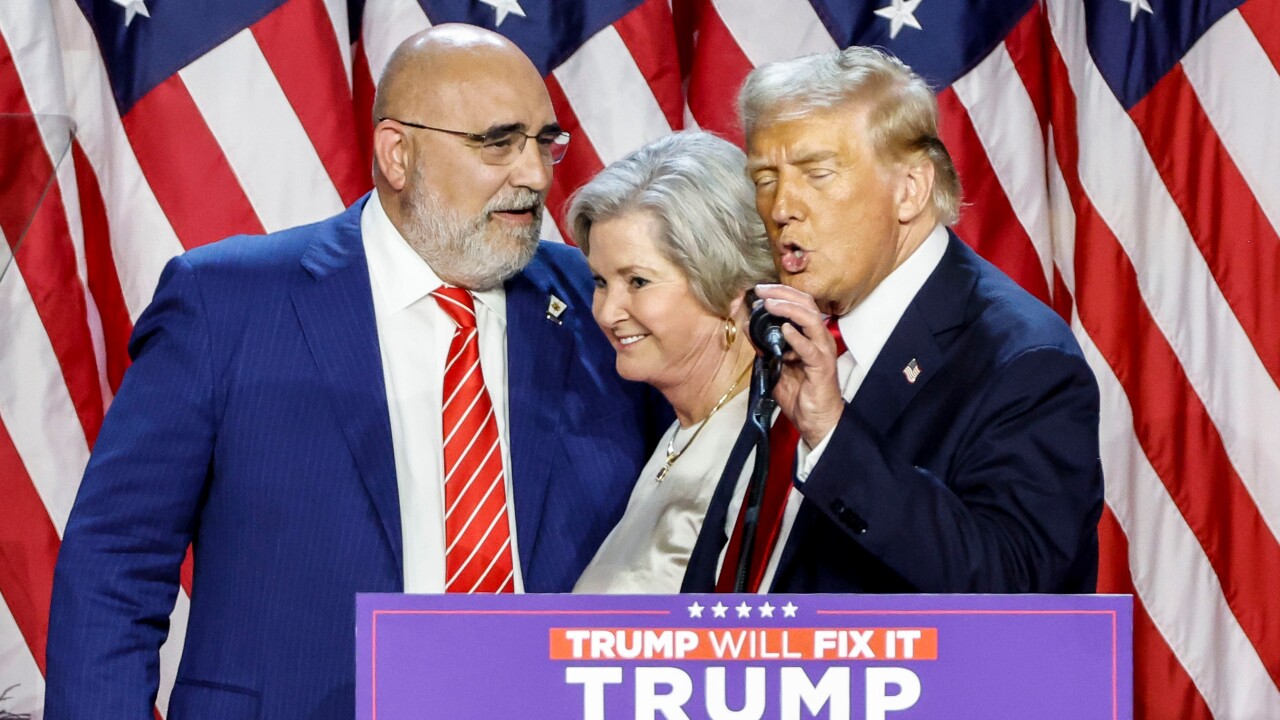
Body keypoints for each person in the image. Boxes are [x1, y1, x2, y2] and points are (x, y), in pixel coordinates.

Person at [45, 25, 664, 719]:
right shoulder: (227, 304)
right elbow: (115, 563)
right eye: (499, 142)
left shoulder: (600, 304)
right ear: (398, 154)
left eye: (544, 142)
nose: (534, 175)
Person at [682, 47, 1104, 594]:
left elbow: (1014, 591)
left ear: (909, 189)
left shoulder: (1023, 360)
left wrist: (832, 432)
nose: (782, 205)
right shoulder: (795, 333)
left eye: (817, 173)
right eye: (765, 178)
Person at [569, 131, 775, 593]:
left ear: (727, 287)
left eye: (637, 281)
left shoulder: (764, 447)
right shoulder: (684, 428)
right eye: (601, 281)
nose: (606, 312)